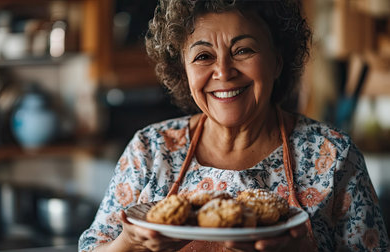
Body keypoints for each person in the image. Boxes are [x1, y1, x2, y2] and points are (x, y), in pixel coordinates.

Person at [79, 0, 389, 251]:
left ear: (277, 60)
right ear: (183, 70)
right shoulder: (150, 149)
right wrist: (130, 243)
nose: (223, 72)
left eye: (243, 50)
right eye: (203, 56)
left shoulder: (334, 157)